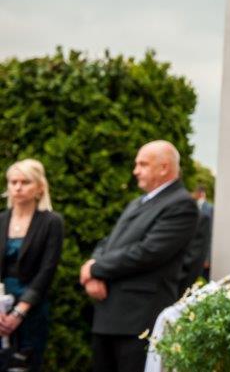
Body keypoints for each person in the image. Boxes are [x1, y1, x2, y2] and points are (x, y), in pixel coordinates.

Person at [81, 140, 199, 372]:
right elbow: (108, 242)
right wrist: (93, 266)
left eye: (143, 164)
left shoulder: (181, 204)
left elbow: (149, 252)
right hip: (109, 313)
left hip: (138, 319)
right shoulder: (138, 202)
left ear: (164, 168)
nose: (135, 171)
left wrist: (94, 270)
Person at [0, 159, 63, 371]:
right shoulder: (1, 220)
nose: (18, 187)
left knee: (23, 365)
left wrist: (19, 312)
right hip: (1, 305)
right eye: (13, 182)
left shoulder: (51, 222)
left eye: (25, 182)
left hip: (32, 307)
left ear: (39, 187)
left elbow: (47, 270)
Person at [179, 185, 214, 292]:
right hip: (190, 254)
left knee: (203, 282)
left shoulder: (210, 208)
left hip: (203, 255)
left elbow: (210, 234)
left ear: (201, 193)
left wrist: (207, 258)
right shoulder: (191, 207)